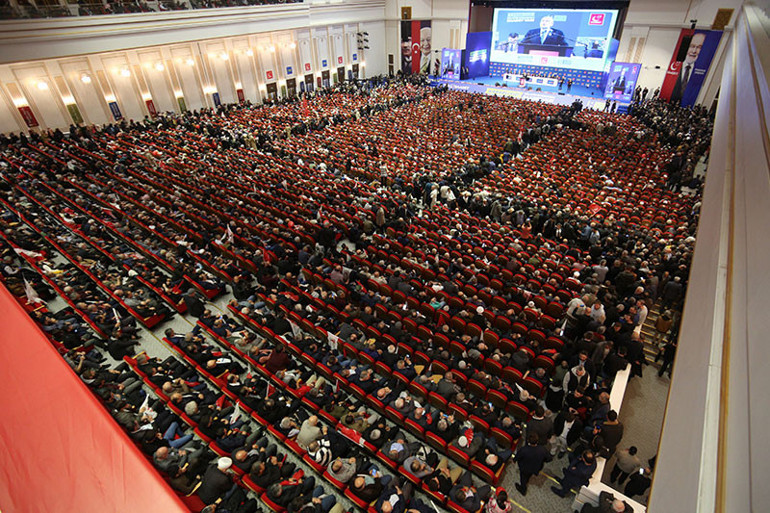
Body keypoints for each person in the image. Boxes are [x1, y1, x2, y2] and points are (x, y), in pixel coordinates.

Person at [670, 32, 705, 103]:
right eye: (692, 46)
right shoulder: (676, 67)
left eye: (699, 47)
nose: (694, 51)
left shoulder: (700, 71)